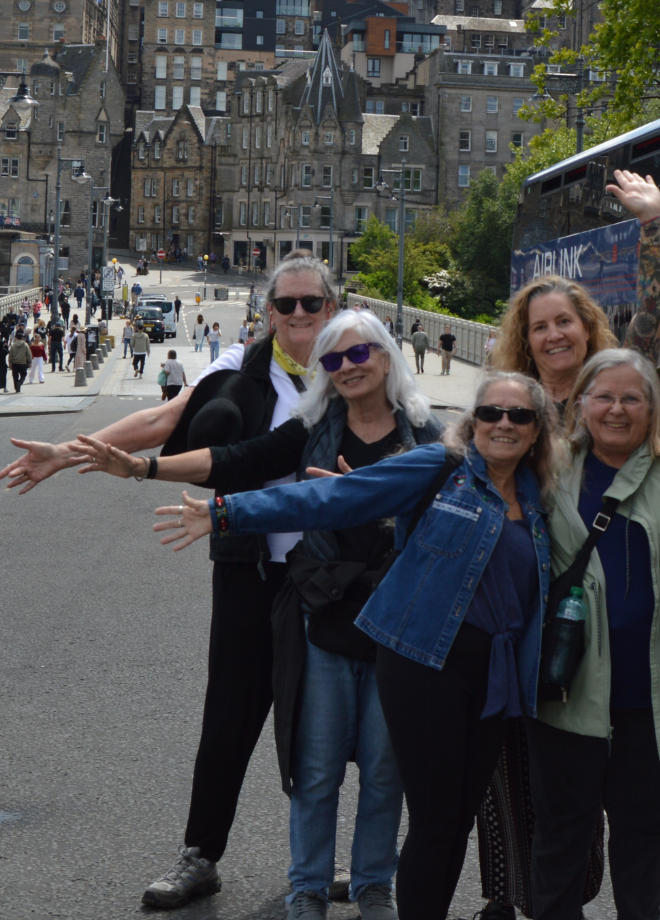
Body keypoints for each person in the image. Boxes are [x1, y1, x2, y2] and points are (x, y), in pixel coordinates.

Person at [55, 311, 445, 920]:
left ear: (388, 355)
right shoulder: (313, 429)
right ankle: (307, 891)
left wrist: (379, 508)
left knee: (383, 767)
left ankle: (373, 886)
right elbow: (237, 460)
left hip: (396, 619)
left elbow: (457, 515)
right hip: (324, 613)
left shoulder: (427, 434)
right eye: (334, 360)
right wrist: (144, 468)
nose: (348, 368)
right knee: (314, 768)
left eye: (360, 354)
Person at [149, 370, 564, 920]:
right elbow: (334, 497)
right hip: (423, 660)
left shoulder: (542, 495)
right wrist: (226, 513)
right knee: (436, 820)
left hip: (493, 675)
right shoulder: (441, 467)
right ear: (473, 422)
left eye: (520, 416)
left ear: (537, 431)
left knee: (459, 818)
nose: (503, 425)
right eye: (491, 413)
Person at [0, 254, 343, 912]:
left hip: (328, 573)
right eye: (287, 304)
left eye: (312, 303)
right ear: (267, 313)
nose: (300, 315)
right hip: (250, 566)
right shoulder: (237, 368)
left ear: (330, 308)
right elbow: (164, 421)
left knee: (325, 718)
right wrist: (73, 449)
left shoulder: (349, 367)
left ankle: (320, 861)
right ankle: (200, 856)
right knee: (229, 715)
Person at [470, 168, 660, 920]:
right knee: (516, 775)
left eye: (567, 321)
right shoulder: (508, 405)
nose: (555, 333)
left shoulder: (609, 392)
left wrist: (653, 226)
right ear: (525, 338)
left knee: (587, 790)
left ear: (588, 327)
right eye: (541, 325)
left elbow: (652, 312)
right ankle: (513, 894)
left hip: (601, 617)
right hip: (522, 614)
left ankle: (557, 895)